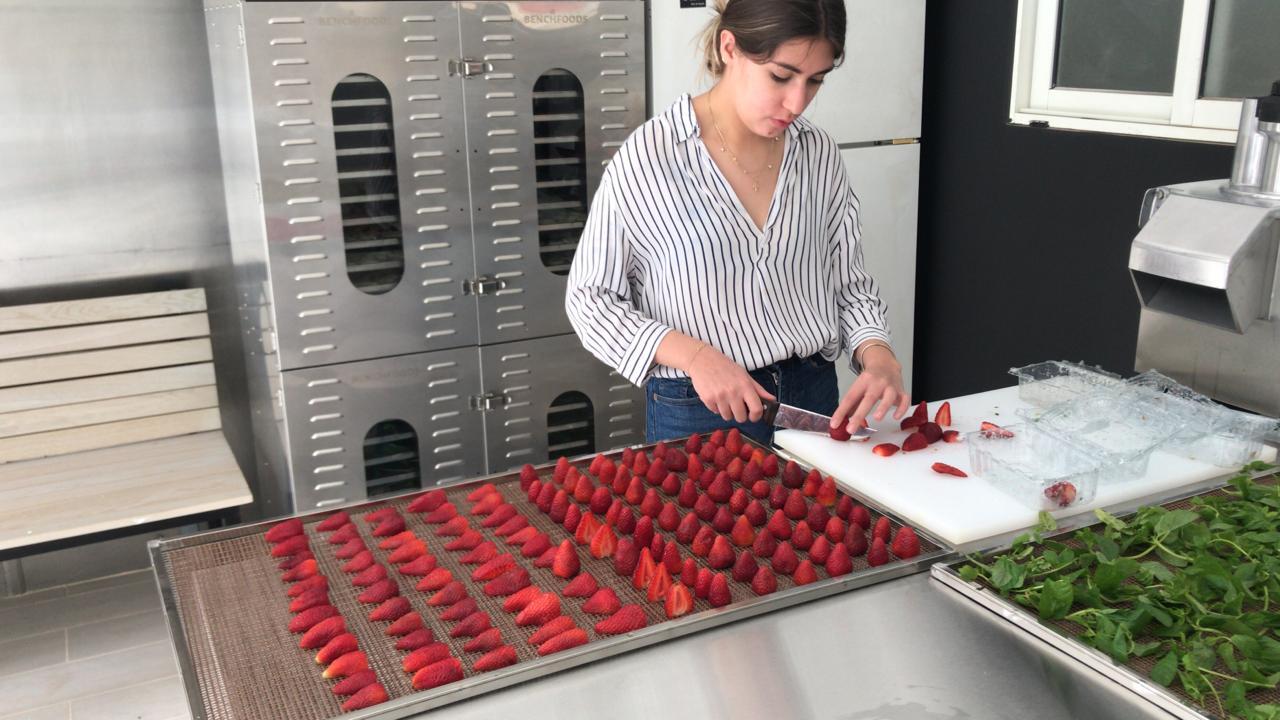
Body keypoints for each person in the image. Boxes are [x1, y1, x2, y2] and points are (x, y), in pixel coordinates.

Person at [565, 0, 908, 444]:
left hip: (813, 397)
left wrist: (878, 354)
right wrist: (695, 357)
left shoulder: (818, 153)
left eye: (815, 80)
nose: (797, 102)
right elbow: (591, 301)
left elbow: (849, 285)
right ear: (730, 48)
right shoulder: (650, 158)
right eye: (781, 76)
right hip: (700, 406)